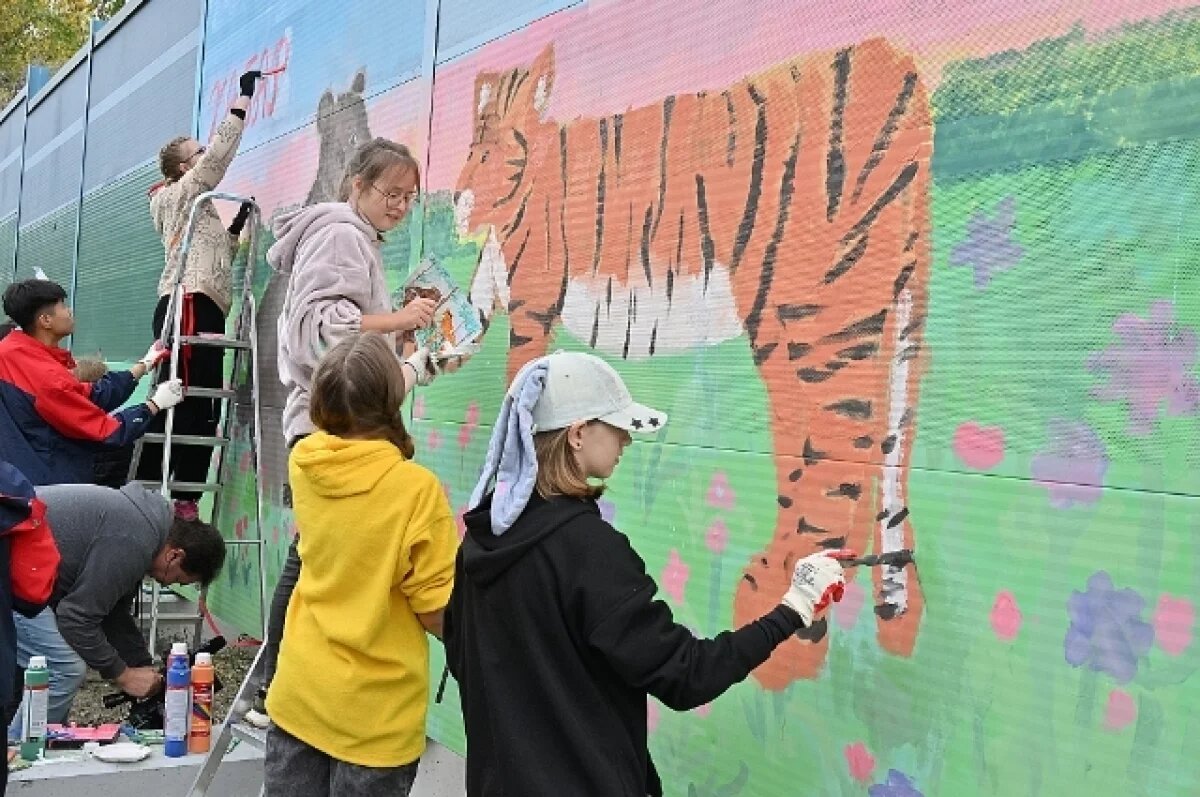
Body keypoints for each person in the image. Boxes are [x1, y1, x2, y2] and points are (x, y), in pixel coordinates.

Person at [443, 352, 852, 796]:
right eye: (617, 427)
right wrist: (794, 608)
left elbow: (466, 661)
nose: (627, 441)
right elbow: (687, 675)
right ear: (578, 434)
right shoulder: (588, 551)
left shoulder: (480, 544)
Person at [258, 137, 456, 708]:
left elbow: (349, 343)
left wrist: (410, 361)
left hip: (329, 424)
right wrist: (402, 318)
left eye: (409, 196)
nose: (400, 205)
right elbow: (320, 332)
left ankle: (286, 679)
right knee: (314, 560)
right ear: (357, 185)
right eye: (390, 192)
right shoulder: (343, 232)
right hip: (327, 426)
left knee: (315, 557)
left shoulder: (351, 235)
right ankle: (282, 679)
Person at [264, 333, 456, 797]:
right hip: (375, 718)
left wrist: (404, 369)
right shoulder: (415, 490)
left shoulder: (306, 463)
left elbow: (357, 406)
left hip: (300, 693)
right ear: (390, 399)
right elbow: (435, 611)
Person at [135, 69, 261, 520]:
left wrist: (233, 229)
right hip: (186, 303)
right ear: (184, 168)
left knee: (202, 398)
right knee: (185, 395)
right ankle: (157, 494)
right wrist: (242, 101)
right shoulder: (178, 193)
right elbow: (217, 161)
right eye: (197, 153)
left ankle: (181, 496)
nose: (205, 155)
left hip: (200, 300)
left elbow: (210, 250)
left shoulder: (193, 209)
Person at [7, 482, 225, 735]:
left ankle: (41, 742)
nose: (166, 582)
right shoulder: (133, 540)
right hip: (9, 571)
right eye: (176, 578)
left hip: (17, 567)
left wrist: (143, 667)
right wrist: (123, 675)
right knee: (63, 670)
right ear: (175, 555)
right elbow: (75, 618)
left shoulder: (146, 527)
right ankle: (21, 763)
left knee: (49, 672)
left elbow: (111, 613)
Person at [0, 279, 182, 486]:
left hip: (14, 477)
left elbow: (86, 396)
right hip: (47, 489)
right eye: (62, 307)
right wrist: (155, 404)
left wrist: (143, 365)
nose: (69, 312)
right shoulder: (47, 378)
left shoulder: (9, 352)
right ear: (45, 320)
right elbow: (106, 432)